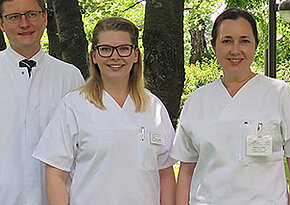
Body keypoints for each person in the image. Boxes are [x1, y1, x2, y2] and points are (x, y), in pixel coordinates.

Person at [171, 8, 290, 205]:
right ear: (214, 46)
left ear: (255, 46)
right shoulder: (197, 101)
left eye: (244, 41)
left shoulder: (279, 94)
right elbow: (186, 171)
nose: (235, 50)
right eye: (226, 41)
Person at [32, 17, 177, 204]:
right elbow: (55, 174)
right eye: (106, 49)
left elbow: (165, 174)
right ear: (94, 55)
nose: (115, 57)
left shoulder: (153, 107)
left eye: (124, 49)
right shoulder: (74, 106)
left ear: (135, 55)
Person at [0, 0, 84, 204]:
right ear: (1, 24)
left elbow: (83, 145)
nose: (24, 23)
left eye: (31, 14)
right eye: (14, 17)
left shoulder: (70, 76)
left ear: (45, 18)